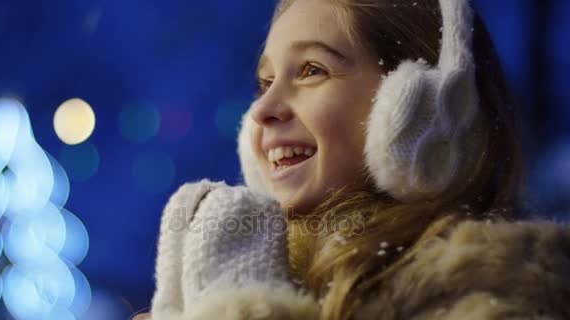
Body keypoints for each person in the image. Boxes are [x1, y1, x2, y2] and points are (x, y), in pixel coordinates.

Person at [136, 0, 570, 319]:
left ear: (421, 113)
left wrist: (238, 306)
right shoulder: (260, 263)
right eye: (265, 81)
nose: (263, 110)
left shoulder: (499, 298)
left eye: (311, 70)